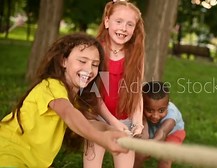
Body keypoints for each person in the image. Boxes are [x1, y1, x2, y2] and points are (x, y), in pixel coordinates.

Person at [0, 33, 129, 167]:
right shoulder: (51, 85)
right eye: (82, 61)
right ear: (63, 61)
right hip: (8, 153)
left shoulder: (77, 99)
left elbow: (86, 123)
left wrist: (110, 129)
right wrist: (100, 138)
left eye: (95, 64)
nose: (89, 69)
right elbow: (68, 113)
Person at [83, 0, 145, 167]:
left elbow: (136, 89)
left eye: (130, 24)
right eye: (119, 21)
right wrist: (114, 123)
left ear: (135, 28)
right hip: (98, 119)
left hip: (125, 121)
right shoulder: (97, 52)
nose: (124, 28)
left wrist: (137, 121)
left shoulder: (135, 54)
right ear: (107, 22)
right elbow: (95, 96)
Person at [134, 81, 186, 168]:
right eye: (149, 110)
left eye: (161, 110)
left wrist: (152, 143)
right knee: (139, 153)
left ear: (168, 103)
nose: (155, 116)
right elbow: (144, 130)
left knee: (165, 157)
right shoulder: (140, 110)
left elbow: (163, 132)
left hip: (173, 133)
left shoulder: (171, 116)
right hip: (152, 131)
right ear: (142, 103)